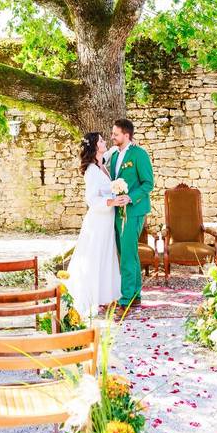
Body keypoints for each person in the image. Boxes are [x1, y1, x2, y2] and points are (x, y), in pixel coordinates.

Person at [64, 132, 121, 317]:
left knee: (106, 256)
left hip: (107, 220)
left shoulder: (101, 163)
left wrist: (124, 144)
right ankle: (91, 298)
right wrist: (112, 202)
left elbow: (112, 151)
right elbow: (91, 199)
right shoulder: (91, 170)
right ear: (95, 146)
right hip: (98, 220)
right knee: (95, 257)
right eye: (102, 141)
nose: (105, 142)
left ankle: (105, 297)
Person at [108, 118, 154, 309]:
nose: (112, 137)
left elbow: (148, 183)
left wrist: (130, 197)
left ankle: (126, 297)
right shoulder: (114, 156)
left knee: (127, 254)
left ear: (126, 135)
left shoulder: (139, 154)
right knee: (126, 252)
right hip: (117, 211)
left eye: (115, 134)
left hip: (133, 211)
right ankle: (135, 294)